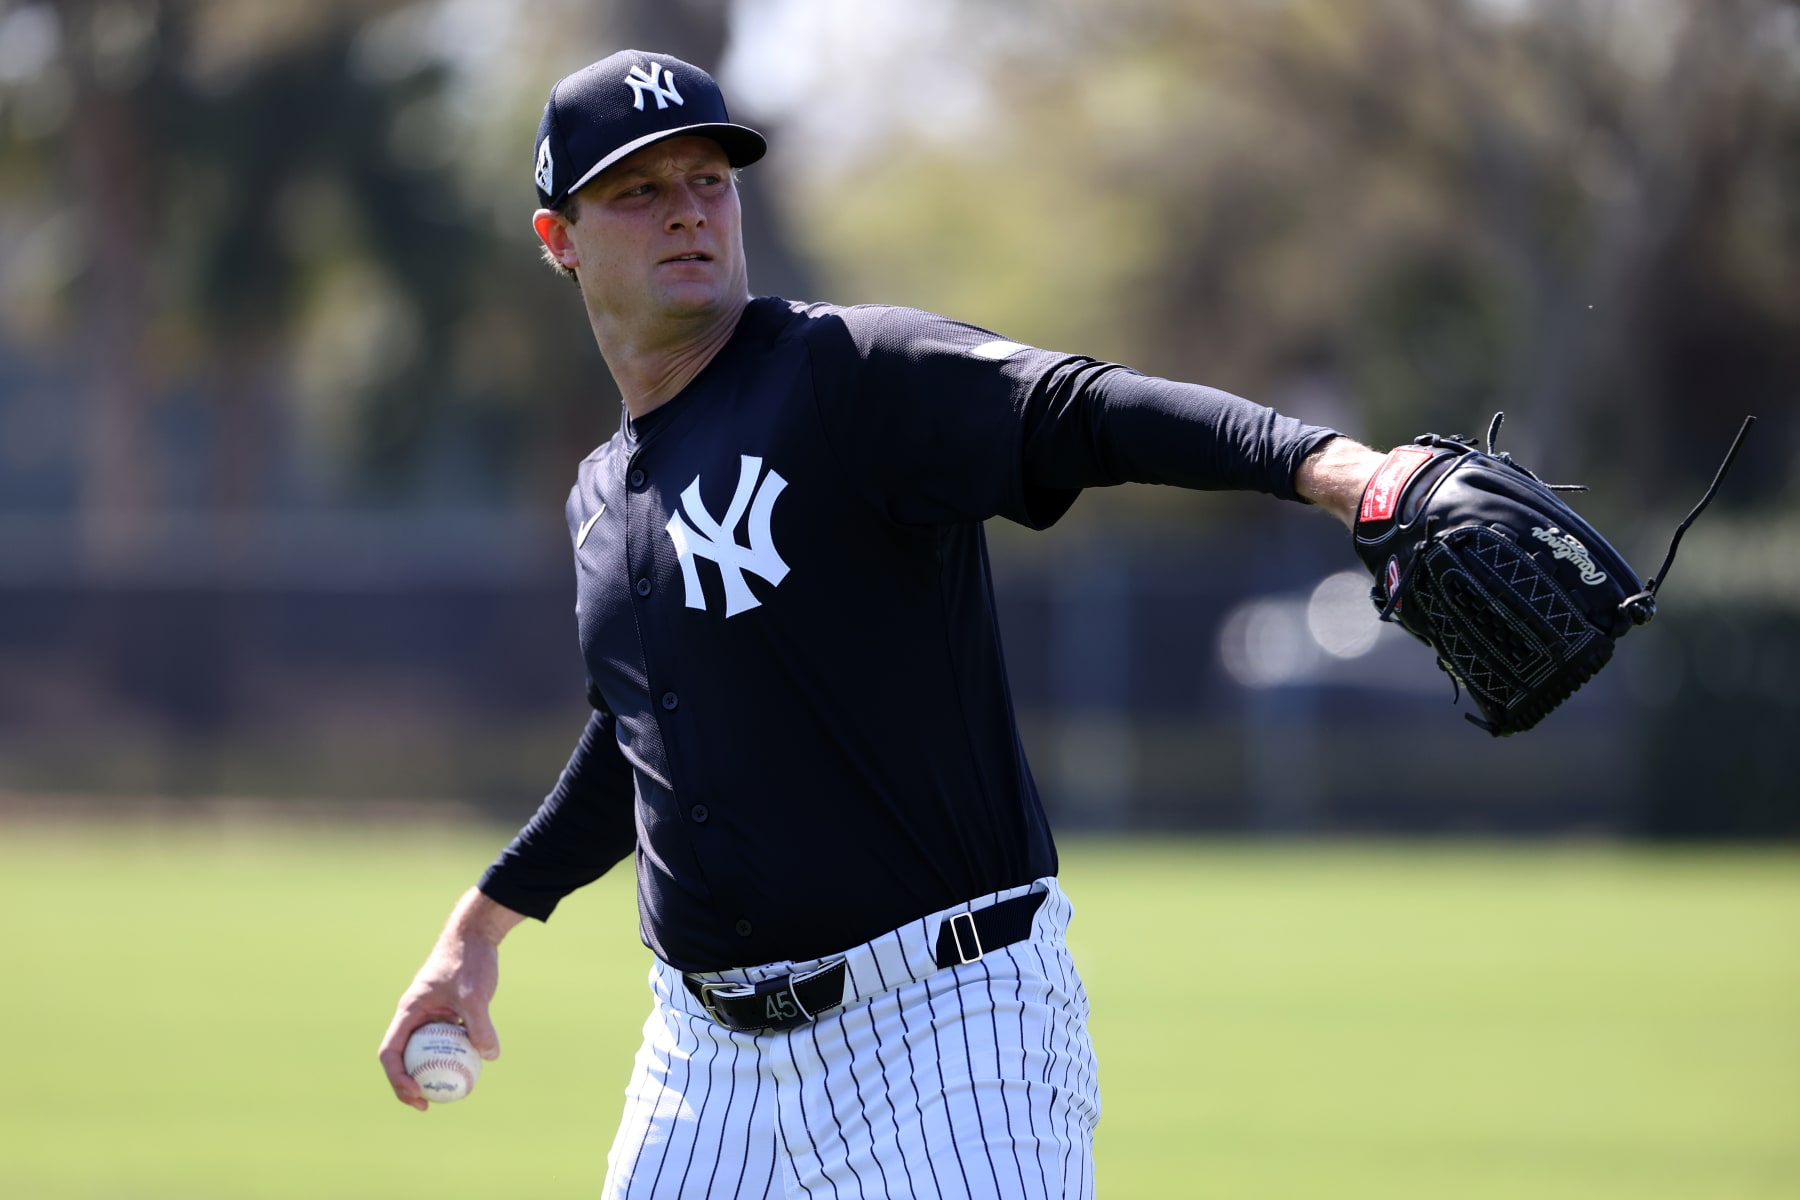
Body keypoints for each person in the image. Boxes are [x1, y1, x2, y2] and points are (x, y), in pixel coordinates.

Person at [378, 49, 1388, 1198]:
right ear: (559, 239)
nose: (687, 213)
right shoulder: (603, 499)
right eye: (638, 191)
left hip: (944, 1027)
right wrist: (483, 925)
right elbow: (649, 740)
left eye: (708, 178)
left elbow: (1078, 408)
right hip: (704, 1068)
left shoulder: (845, 376)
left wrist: (1337, 469)